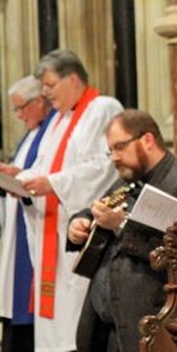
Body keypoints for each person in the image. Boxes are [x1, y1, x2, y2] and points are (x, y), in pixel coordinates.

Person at [17, 49, 123, 352]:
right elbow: (46, 166)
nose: (45, 93)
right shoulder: (58, 119)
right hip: (54, 224)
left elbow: (105, 166)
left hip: (78, 227)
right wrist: (22, 178)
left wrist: (53, 183)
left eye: (50, 85)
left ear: (73, 79)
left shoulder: (102, 108)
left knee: (77, 319)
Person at [66, 110, 177, 352]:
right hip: (106, 328)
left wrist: (120, 225)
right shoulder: (128, 180)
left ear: (148, 140)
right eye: (110, 150)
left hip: (147, 323)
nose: (114, 157)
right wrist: (78, 223)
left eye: (119, 147)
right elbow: (94, 210)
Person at [0, 75, 56, 352]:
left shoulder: (52, 131)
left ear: (39, 101)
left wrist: (21, 177)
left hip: (39, 226)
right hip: (19, 223)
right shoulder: (33, 133)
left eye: (22, 108)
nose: (19, 115)